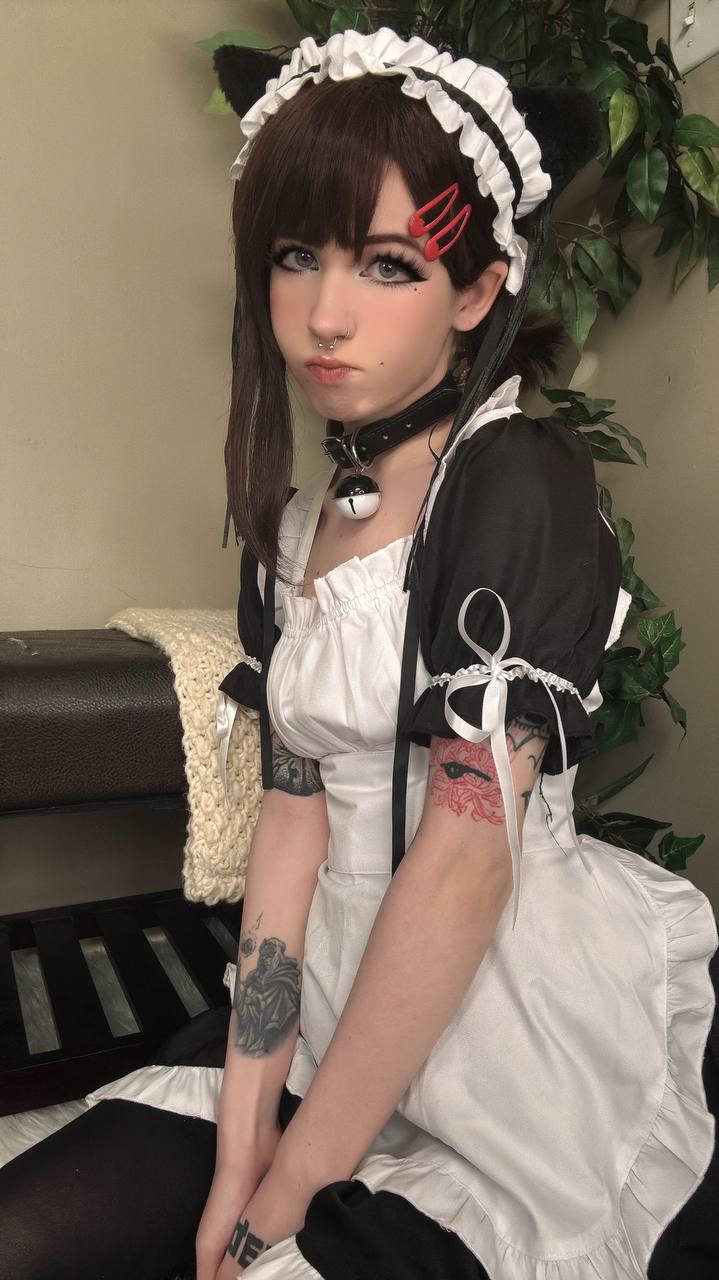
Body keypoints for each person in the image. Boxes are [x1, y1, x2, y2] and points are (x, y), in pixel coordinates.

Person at [1, 26, 717, 1280]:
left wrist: (283, 1194)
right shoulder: (293, 532)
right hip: (325, 1002)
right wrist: (243, 1138)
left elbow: (463, 864)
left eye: (388, 264)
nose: (323, 315)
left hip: (504, 1025)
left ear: (477, 288)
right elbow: (293, 822)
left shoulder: (514, 482)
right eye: (296, 255)